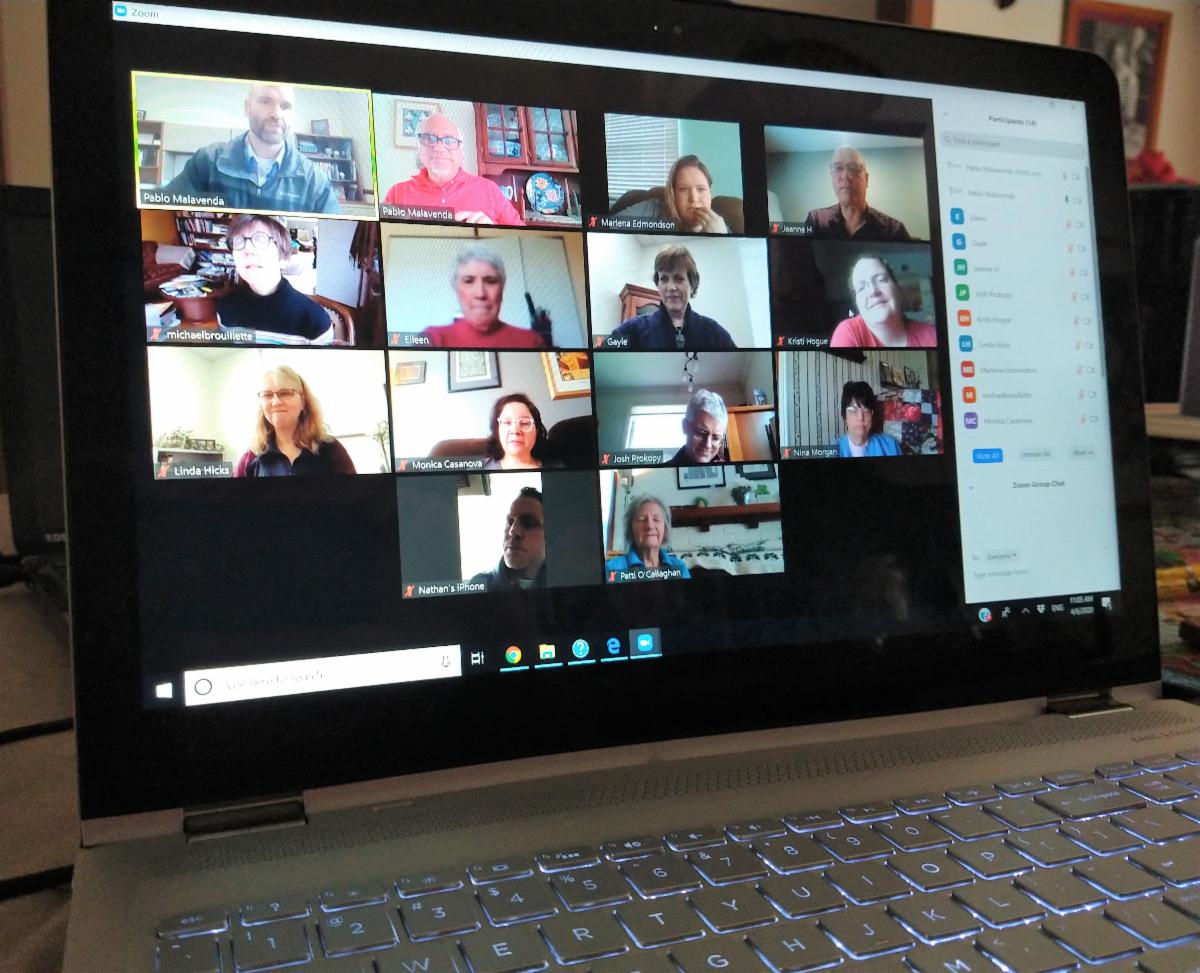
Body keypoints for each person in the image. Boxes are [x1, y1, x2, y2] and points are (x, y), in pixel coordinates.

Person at [162, 83, 339, 214]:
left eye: (285, 106)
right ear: (247, 108)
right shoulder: (208, 162)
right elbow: (163, 208)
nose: (276, 114)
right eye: (265, 101)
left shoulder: (314, 180)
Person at [383, 113, 524, 226]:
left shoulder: (489, 190)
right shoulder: (396, 194)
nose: (439, 148)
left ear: (461, 152)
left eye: (449, 141)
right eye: (429, 139)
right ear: (419, 149)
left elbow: (523, 240)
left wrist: (494, 232)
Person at [216, 214, 334, 345]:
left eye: (260, 240)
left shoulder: (315, 321)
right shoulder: (225, 308)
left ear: (283, 259)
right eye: (239, 242)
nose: (248, 250)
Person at [234, 365, 356, 476]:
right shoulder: (251, 456)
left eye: (285, 393)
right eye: (267, 395)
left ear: (303, 401)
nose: (276, 402)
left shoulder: (330, 449)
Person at [608, 246, 736, 350]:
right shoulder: (635, 328)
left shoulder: (712, 332)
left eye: (679, 278)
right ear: (658, 284)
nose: (671, 287)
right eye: (664, 279)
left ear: (692, 284)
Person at [422, 247, 546, 348]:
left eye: (490, 281)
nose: (480, 293)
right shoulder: (433, 338)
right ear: (456, 289)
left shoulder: (531, 341)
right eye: (469, 281)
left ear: (502, 289)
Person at [805, 146, 910, 242]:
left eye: (854, 168)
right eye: (838, 168)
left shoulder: (894, 231)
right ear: (831, 178)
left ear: (866, 179)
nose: (845, 176)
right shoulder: (816, 221)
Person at [830, 256, 936, 349]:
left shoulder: (932, 334)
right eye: (861, 288)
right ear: (857, 303)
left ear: (898, 290)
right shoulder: (848, 332)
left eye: (881, 280)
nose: (872, 291)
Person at [614, 155, 731, 234]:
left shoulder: (722, 228)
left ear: (710, 193)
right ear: (673, 194)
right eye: (683, 189)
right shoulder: (653, 210)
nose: (694, 199)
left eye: (701, 189)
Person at [469, 487, 547, 590]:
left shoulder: (564, 584)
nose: (512, 531)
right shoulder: (478, 586)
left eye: (529, 522)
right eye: (510, 522)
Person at [605, 495, 691, 580]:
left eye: (656, 519)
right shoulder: (613, 569)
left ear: (665, 528)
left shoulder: (680, 567)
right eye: (641, 519)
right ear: (631, 528)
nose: (650, 526)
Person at [482, 393, 561, 470]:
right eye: (507, 422)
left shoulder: (558, 470)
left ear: (536, 430)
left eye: (524, 423)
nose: (515, 430)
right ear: (497, 430)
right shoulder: (481, 468)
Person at [836, 381, 901, 458]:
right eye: (854, 410)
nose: (861, 417)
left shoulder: (891, 446)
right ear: (844, 416)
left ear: (872, 415)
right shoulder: (833, 451)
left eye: (866, 410)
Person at [670, 389, 728, 465]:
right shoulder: (661, 472)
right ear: (684, 427)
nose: (708, 445)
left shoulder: (730, 471)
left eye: (716, 438)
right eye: (701, 433)